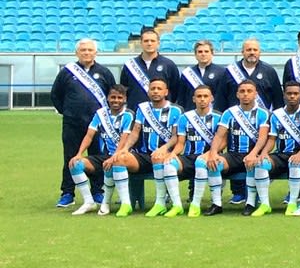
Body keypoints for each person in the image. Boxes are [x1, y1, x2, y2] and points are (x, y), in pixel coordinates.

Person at [52, 38, 117, 209]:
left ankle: (97, 191)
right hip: (72, 124)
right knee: (70, 157)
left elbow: (112, 96)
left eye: (90, 50)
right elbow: (56, 95)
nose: (86, 53)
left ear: (96, 52)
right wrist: (68, 111)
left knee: (97, 157)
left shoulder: (104, 72)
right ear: (77, 53)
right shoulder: (67, 72)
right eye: (83, 50)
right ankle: (67, 193)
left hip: (98, 125)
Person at [119, 78, 183, 215]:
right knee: (120, 159)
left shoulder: (176, 110)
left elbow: (175, 137)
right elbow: (135, 131)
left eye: (159, 89)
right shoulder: (142, 108)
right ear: (148, 91)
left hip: (165, 155)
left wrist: (164, 148)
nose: (155, 91)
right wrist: (125, 149)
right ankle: (126, 204)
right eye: (152, 88)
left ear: (166, 92)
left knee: (158, 158)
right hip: (143, 155)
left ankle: (160, 203)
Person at [210, 79, 273, 216]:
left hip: (253, 154)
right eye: (242, 91)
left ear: (255, 94)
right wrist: (213, 153)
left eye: (249, 91)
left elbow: (263, 137)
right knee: (213, 163)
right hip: (233, 155)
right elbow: (220, 135)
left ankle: (250, 203)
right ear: (237, 94)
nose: (246, 94)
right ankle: (216, 204)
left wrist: (253, 153)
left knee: (254, 163)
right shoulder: (229, 113)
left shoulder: (263, 114)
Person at [67, 83, 131, 216]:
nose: (116, 100)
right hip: (104, 156)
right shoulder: (100, 114)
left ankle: (110, 203)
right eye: (113, 97)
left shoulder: (128, 115)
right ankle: (89, 202)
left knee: (113, 164)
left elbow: (124, 140)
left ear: (124, 99)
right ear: (107, 98)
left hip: (124, 156)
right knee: (74, 164)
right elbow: (89, 135)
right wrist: (79, 154)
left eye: (119, 98)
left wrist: (114, 158)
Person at [269, 81, 300, 216]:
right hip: (280, 154)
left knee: (295, 162)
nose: (292, 96)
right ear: (284, 95)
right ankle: (262, 204)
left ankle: (292, 203)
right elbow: (272, 139)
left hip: (299, 154)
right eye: (289, 93)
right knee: (261, 164)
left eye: (295, 94)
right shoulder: (276, 114)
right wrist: (263, 154)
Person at [173, 84, 223, 217]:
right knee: (168, 165)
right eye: (199, 96)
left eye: (205, 96)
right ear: (193, 99)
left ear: (211, 98)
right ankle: (175, 205)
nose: (202, 99)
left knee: (203, 163)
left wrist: (211, 153)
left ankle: (197, 204)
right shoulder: (185, 117)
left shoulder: (219, 117)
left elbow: (223, 141)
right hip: (189, 157)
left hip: (212, 156)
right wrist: (172, 155)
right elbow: (180, 143)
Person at [120, 27, 180, 107]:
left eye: (152, 41)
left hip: (161, 114)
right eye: (146, 41)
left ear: (158, 43)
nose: (149, 43)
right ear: (141, 43)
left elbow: (175, 91)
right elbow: (124, 90)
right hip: (135, 113)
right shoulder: (129, 65)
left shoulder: (169, 65)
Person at [176, 39, 229, 111]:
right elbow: (181, 99)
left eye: (206, 51)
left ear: (212, 53)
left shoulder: (222, 72)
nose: (203, 54)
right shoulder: (187, 73)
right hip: (191, 117)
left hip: (214, 115)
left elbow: (225, 96)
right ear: (195, 54)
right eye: (200, 52)